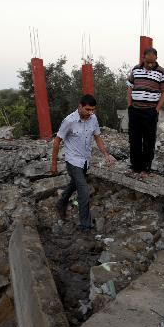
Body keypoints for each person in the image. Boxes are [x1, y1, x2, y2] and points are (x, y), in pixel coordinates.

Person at [50, 95, 113, 230]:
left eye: (93, 110)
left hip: (85, 161)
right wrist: (53, 164)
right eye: (88, 109)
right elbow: (57, 141)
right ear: (80, 106)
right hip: (72, 161)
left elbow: (97, 137)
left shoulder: (93, 119)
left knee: (74, 184)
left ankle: (61, 203)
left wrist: (106, 154)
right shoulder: (69, 121)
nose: (90, 113)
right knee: (83, 191)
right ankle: (86, 225)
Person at [126, 47, 164, 178]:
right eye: (148, 62)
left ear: (156, 59)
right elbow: (129, 87)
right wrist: (129, 105)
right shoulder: (135, 69)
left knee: (149, 141)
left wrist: (156, 110)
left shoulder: (162, 72)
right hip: (134, 110)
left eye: (153, 62)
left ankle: (146, 169)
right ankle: (135, 167)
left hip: (150, 112)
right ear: (143, 58)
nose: (150, 65)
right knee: (134, 140)